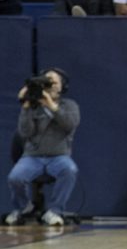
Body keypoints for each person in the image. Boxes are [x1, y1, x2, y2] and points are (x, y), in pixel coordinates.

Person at [5, 69, 79, 226]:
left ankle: (54, 211)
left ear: (62, 87)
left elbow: (69, 124)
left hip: (58, 156)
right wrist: (25, 107)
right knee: (15, 177)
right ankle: (24, 208)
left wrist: (51, 106)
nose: (50, 86)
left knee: (69, 170)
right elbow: (25, 132)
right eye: (47, 82)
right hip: (33, 156)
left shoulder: (69, 105)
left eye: (54, 82)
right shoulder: (34, 107)